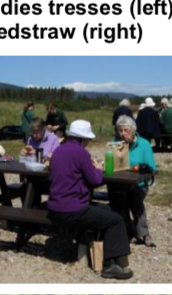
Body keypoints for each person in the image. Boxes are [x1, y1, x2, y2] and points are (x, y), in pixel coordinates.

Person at [47, 120, 133, 280]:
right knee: (116, 220)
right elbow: (94, 180)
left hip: (54, 208)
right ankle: (109, 265)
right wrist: (99, 170)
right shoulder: (81, 153)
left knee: (107, 211)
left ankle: (101, 254)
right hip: (73, 210)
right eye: (87, 140)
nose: (87, 143)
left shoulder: (58, 151)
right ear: (81, 139)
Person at [109, 116, 156, 247]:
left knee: (134, 196)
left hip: (139, 184)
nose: (123, 134)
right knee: (119, 197)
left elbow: (152, 168)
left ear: (133, 130)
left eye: (126, 130)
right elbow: (109, 164)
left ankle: (144, 233)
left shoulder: (144, 144)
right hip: (120, 183)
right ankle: (127, 232)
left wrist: (135, 167)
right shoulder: (114, 143)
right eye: (120, 131)